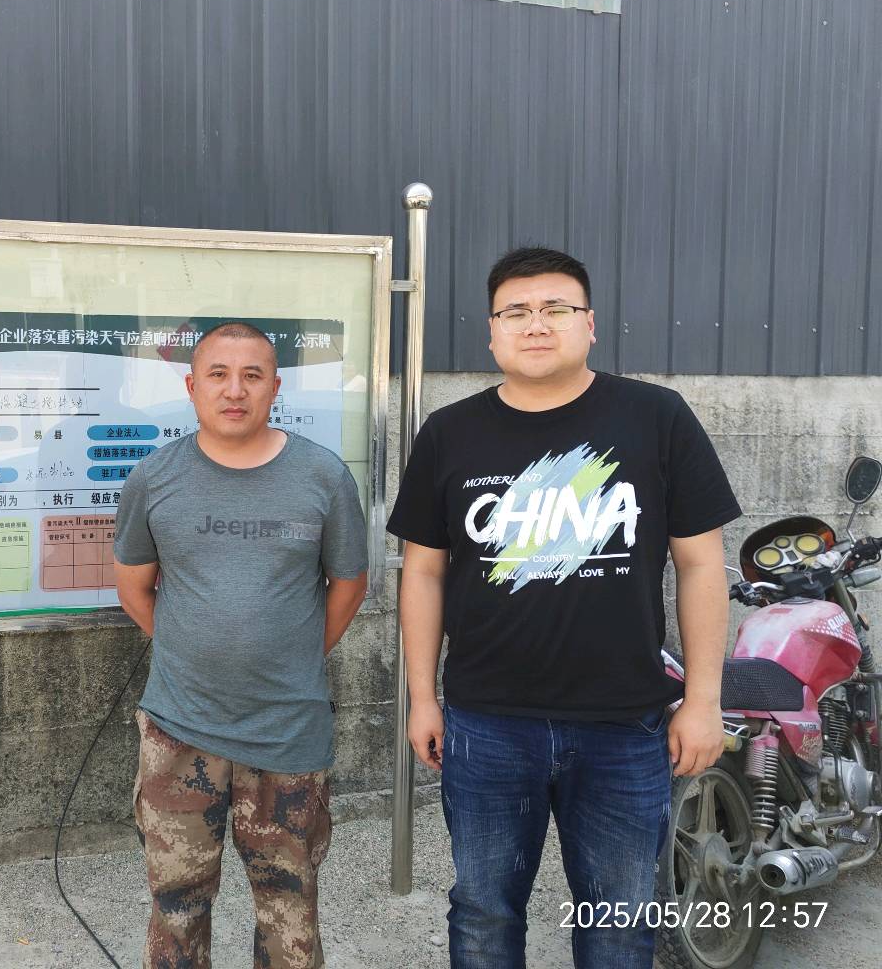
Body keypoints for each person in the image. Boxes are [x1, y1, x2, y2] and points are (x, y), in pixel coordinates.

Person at [389, 246, 738, 968]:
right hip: (486, 721)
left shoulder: (656, 417)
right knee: (483, 912)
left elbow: (702, 562)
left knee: (621, 919)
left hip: (624, 722)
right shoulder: (450, 433)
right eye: (516, 311)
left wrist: (704, 699)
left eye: (556, 308)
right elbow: (422, 572)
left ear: (591, 324)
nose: (536, 323)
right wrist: (422, 698)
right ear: (491, 332)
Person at [112, 320, 369, 969]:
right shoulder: (154, 477)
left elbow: (349, 585)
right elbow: (134, 588)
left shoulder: (323, 476)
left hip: (288, 733)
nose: (235, 390)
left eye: (252, 376)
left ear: (275, 388)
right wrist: (189, 649)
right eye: (219, 375)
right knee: (176, 909)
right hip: (179, 731)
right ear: (191, 387)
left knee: (289, 911)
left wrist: (293, 656)